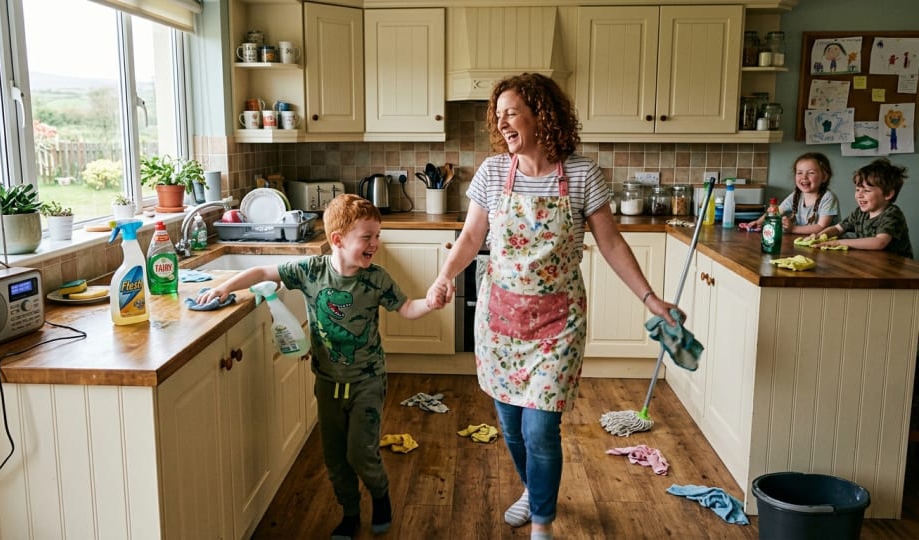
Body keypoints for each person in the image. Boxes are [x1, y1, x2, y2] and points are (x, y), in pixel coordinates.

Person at [426, 73, 680, 539]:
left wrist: (649, 297)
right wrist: (444, 277)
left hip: (557, 326)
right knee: (512, 428)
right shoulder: (492, 172)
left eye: (511, 112)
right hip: (499, 321)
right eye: (497, 115)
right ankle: (533, 491)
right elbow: (470, 237)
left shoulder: (582, 174)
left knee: (541, 429)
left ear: (541, 115)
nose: (502, 123)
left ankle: (542, 525)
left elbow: (612, 243)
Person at [196, 194, 440, 539]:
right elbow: (264, 271)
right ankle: (350, 513)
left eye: (378, 235)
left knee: (361, 453)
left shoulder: (377, 280)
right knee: (335, 458)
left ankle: (381, 496)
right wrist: (224, 287)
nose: (376, 243)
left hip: (367, 380)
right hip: (326, 381)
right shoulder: (310, 270)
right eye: (367, 237)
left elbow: (407, 309)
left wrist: (429, 302)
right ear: (338, 240)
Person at [804, 158, 912, 259]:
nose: (859, 195)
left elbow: (879, 242)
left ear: (888, 194)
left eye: (866, 191)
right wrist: (818, 236)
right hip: (872, 262)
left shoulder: (892, 214)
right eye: (857, 189)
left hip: (895, 269)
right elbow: (837, 229)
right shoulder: (859, 213)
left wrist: (840, 243)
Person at [742, 152, 840, 235]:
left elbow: (821, 227)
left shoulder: (828, 198)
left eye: (811, 173)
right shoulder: (796, 196)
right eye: (799, 173)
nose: (804, 177)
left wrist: (793, 229)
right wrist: (758, 222)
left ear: (825, 177)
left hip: (828, 245)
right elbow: (777, 211)